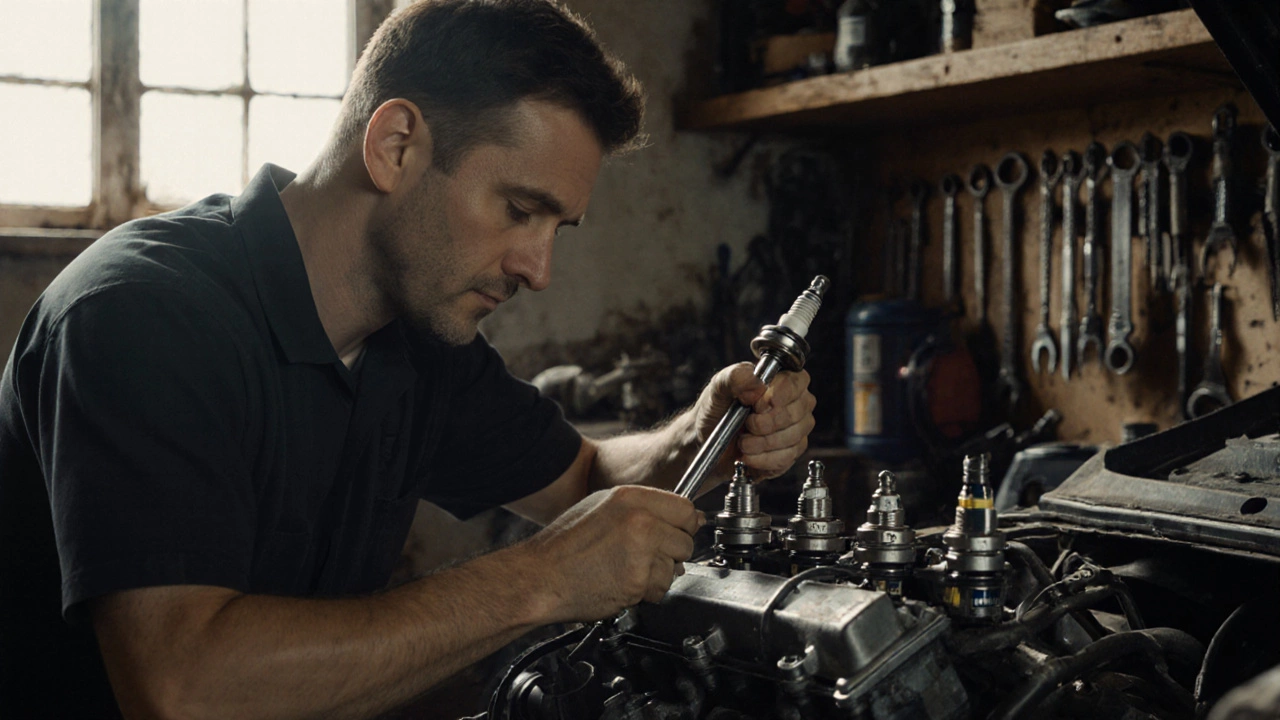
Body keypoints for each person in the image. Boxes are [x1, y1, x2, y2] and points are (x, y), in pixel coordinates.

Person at [0, 1, 817, 718]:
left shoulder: (419, 344)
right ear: (395, 145)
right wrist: (540, 578)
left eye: (555, 229)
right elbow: (184, 690)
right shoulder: (141, 316)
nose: (538, 268)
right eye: (519, 210)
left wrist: (708, 435)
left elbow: (590, 477)